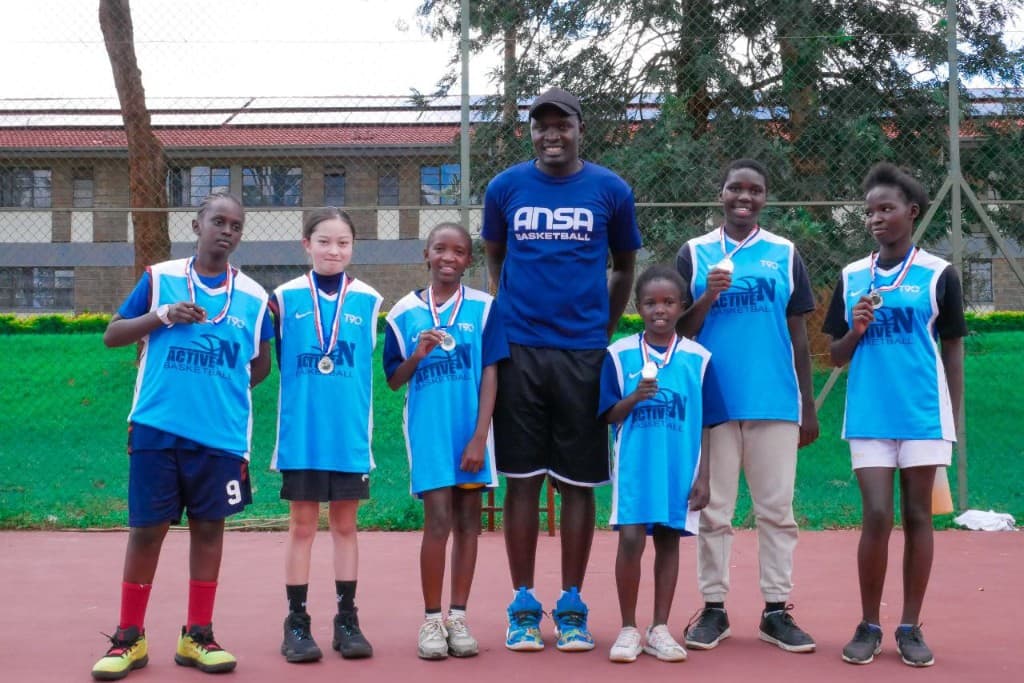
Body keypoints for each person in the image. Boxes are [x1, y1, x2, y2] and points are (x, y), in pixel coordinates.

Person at [482, 86, 642, 652]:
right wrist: (511, 310)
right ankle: (523, 603)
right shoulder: (504, 187)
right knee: (522, 479)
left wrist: (600, 328)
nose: (552, 134)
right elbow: (496, 256)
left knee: (577, 483)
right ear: (531, 130)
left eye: (562, 124)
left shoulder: (610, 189)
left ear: (580, 127)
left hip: (582, 353)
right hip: (520, 350)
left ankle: (571, 603)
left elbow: (624, 266)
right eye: (541, 125)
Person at [91, 192, 273, 680]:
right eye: (218, 220)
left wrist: (215, 385)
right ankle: (128, 637)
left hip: (221, 435)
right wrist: (163, 316)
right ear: (197, 224)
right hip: (157, 426)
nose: (227, 230)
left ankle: (198, 635)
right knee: (147, 530)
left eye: (236, 224)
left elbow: (260, 365)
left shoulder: (255, 297)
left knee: (209, 529)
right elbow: (113, 334)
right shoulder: (160, 277)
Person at [823, 163, 965, 667]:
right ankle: (869, 624)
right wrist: (856, 329)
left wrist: (955, 412)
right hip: (869, 413)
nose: (876, 218)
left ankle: (909, 626)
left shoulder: (938, 274)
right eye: (869, 212)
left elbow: (951, 347)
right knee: (878, 515)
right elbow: (835, 355)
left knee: (919, 515)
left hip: (924, 412)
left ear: (912, 212)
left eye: (886, 209)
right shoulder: (852, 276)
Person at [676, 158, 820, 654]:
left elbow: (800, 333)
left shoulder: (784, 252)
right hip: (714, 401)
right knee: (715, 511)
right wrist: (710, 296)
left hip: (775, 400)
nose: (745, 196)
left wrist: (808, 403)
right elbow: (678, 333)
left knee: (776, 511)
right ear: (721, 194)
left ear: (764, 197)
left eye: (755, 189)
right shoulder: (694, 254)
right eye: (735, 187)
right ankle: (713, 608)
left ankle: (776, 611)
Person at [384, 222, 509, 660]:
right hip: (429, 433)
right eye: (441, 249)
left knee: (468, 524)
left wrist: (480, 436)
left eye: (459, 251)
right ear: (426, 254)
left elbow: (491, 371)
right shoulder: (402, 314)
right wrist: (417, 354)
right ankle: (431, 620)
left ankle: (459, 616)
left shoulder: (485, 308)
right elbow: (395, 381)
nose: (449, 258)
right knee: (437, 521)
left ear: (469, 260)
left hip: (471, 434)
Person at [269, 207, 381, 662]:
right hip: (303, 436)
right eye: (324, 241)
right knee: (301, 527)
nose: (334, 250)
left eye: (343, 243)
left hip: (349, 436)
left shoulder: (370, 301)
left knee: (345, 526)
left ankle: (347, 619)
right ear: (306, 245)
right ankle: (296, 622)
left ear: (353, 247)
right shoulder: (283, 298)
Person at [600, 266, 721, 663]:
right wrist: (635, 397)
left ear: (682, 306)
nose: (660, 310)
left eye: (669, 302)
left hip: (679, 468)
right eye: (651, 303)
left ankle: (660, 628)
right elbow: (609, 415)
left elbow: (706, 421)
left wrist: (704, 476)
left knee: (669, 541)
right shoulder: (618, 355)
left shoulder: (698, 359)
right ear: (638, 306)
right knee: (631, 540)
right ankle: (629, 628)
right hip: (635, 467)